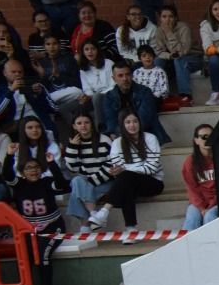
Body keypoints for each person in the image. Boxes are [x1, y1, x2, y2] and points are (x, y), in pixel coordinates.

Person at [86, 111, 163, 239]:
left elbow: (152, 167)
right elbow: (118, 169)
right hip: (129, 184)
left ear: (139, 122)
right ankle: (131, 229)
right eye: (128, 122)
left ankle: (104, 212)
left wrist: (126, 169)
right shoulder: (117, 143)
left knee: (126, 177)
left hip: (153, 182)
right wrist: (127, 170)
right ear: (122, 124)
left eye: (135, 121)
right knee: (126, 183)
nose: (132, 125)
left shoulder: (150, 138)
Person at [7, 156, 61, 285]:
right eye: (29, 168)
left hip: (52, 227)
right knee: (25, 257)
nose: (33, 171)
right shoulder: (19, 184)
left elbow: (62, 183)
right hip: (28, 229)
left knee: (43, 255)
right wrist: (9, 156)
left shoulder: (47, 182)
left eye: (36, 167)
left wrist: (52, 163)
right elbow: (6, 175)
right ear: (23, 172)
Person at [102, 61, 169, 145]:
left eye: (127, 74)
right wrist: (118, 133)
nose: (125, 79)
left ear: (132, 75)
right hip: (121, 135)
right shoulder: (109, 97)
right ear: (114, 79)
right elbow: (111, 121)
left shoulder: (145, 92)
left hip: (146, 134)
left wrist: (127, 133)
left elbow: (145, 120)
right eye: (120, 75)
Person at [60, 111, 109, 227]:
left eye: (87, 122)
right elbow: (73, 168)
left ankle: (85, 228)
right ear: (74, 126)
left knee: (76, 192)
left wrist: (92, 181)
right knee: (76, 181)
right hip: (86, 182)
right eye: (79, 123)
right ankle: (94, 215)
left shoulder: (104, 140)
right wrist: (73, 147)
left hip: (105, 181)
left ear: (92, 124)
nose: (83, 126)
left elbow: (111, 164)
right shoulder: (74, 143)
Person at [152, 4, 197, 101]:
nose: (167, 20)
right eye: (164, 17)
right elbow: (159, 51)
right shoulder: (159, 30)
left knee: (179, 60)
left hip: (193, 58)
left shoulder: (183, 28)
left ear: (176, 18)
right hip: (173, 59)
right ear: (160, 19)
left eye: (170, 16)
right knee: (158, 61)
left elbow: (183, 51)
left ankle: (186, 95)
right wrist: (169, 56)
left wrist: (169, 33)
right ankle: (159, 95)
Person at [182, 125, 219, 230]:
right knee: (192, 218)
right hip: (199, 202)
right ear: (196, 140)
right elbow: (191, 188)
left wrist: (210, 206)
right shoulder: (190, 161)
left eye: (211, 136)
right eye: (204, 137)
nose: (207, 140)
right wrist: (202, 207)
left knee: (209, 216)